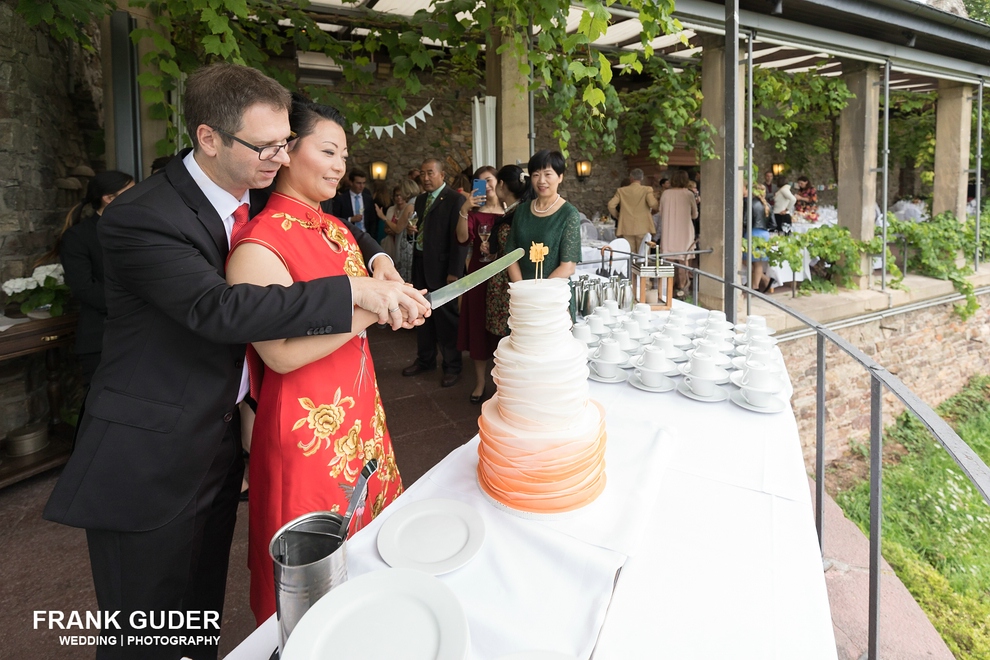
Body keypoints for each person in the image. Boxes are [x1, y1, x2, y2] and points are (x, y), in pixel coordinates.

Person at [43, 63, 428, 660]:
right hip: (151, 453)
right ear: (209, 137)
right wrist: (355, 294)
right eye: (268, 145)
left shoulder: (241, 190)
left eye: (285, 143)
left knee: (198, 617)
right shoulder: (142, 215)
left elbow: (326, 225)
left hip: (216, 442)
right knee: (143, 635)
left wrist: (374, 258)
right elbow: (218, 309)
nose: (281, 157)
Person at [226, 96, 404, 624]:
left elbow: (362, 286)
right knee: (316, 588)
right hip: (308, 432)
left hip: (359, 411)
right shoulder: (258, 246)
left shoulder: (336, 228)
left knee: (373, 559)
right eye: (327, 151)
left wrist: (383, 276)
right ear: (285, 151)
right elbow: (279, 354)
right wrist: (376, 309)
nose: (339, 165)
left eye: (343, 155)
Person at [58, 171, 134, 387]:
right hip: (101, 337)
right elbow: (84, 287)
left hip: (138, 335)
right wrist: (131, 305)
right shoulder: (78, 237)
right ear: (109, 198)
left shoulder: (137, 229)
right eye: (131, 191)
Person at [403, 157, 469, 387]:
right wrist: (412, 230)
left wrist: (455, 271)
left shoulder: (455, 199)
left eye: (430, 173)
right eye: (423, 173)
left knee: (446, 319)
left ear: (442, 175)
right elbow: (421, 230)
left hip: (443, 269)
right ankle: (425, 359)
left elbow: (461, 240)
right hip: (421, 263)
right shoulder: (421, 200)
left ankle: (452, 366)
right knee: (420, 315)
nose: (426, 177)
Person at [455, 166, 503, 403]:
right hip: (478, 273)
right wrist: (465, 209)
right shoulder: (473, 212)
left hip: (502, 274)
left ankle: (502, 381)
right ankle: (480, 381)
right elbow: (462, 238)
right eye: (481, 181)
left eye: (490, 179)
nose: (487, 184)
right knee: (477, 324)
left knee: (501, 326)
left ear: (498, 181)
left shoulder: (508, 209)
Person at [506, 149, 581, 282]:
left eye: (548, 174)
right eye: (536, 175)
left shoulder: (569, 214)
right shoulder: (522, 211)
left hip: (553, 295)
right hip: (523, 293)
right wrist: (522, 289)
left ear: (560, 177)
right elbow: (511, 255)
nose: (541, 181)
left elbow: (568, 267)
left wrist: (540, 292)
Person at [486, 165, 532, 338]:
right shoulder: (524, 210)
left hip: (509, 279)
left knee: (510, 334)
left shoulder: (515, 215)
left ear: (502, 184)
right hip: (514, 276)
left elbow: (510, 251)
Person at [657, 170, 698, 298]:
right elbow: (695, 214)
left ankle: (667, 289)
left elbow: (661, 211)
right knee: (683, 260)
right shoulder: (689, 194)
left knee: (669, 260)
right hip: (684, 230)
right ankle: (682, 289)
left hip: (669, 230)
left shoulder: (665, 194)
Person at [607, 168, 658, 254]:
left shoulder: (621, 191)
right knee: (644, 254)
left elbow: (610, 205)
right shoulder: (647, 190)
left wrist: (618, 215)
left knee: (629, 254)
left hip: (627, 226)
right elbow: (653, 204)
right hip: (643, 225)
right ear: (641, 178)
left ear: (631, 178)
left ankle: (631, 267)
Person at [379, 179, 419, 274]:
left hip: (405, 243)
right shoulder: (418, 201)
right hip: (411, 241)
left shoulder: (410, 205)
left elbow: (398, 229)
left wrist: (383, 217)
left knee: (405, 272)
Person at [742, 181, 773, 294]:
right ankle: (762, 281)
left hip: (752, 233)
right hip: (764, 234)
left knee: (746, 260)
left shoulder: (749, 203)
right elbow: (773, 224)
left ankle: (755, 286)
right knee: (757, 262)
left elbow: (744, 221)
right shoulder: (768, 205)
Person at [328, 167, 375, 236]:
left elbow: (372, 220)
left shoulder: (368, 199)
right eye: (358, 183)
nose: (361, 186)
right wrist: (350, 219)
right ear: (351, 182)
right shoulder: (341, 199)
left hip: (365, 234)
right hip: (348, 234)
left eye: (363, 183)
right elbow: (335, 218)